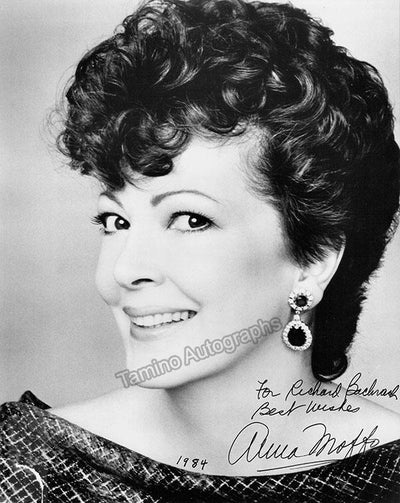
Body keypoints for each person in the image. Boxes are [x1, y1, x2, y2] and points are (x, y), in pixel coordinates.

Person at [1, 0, 400, 501]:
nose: (125, 270)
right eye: (116, 221)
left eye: (191, 219)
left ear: (314, 259)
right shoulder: (24, 469)